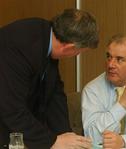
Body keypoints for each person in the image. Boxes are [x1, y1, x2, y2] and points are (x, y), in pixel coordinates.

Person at [0, 8, 99, 149]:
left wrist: (66, 135)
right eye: (78, 53)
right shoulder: (20, 45)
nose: (75, 56)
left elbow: (54, 94)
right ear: (69, 48)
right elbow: (11, 108)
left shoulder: (48, 37)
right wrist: (52, 141)